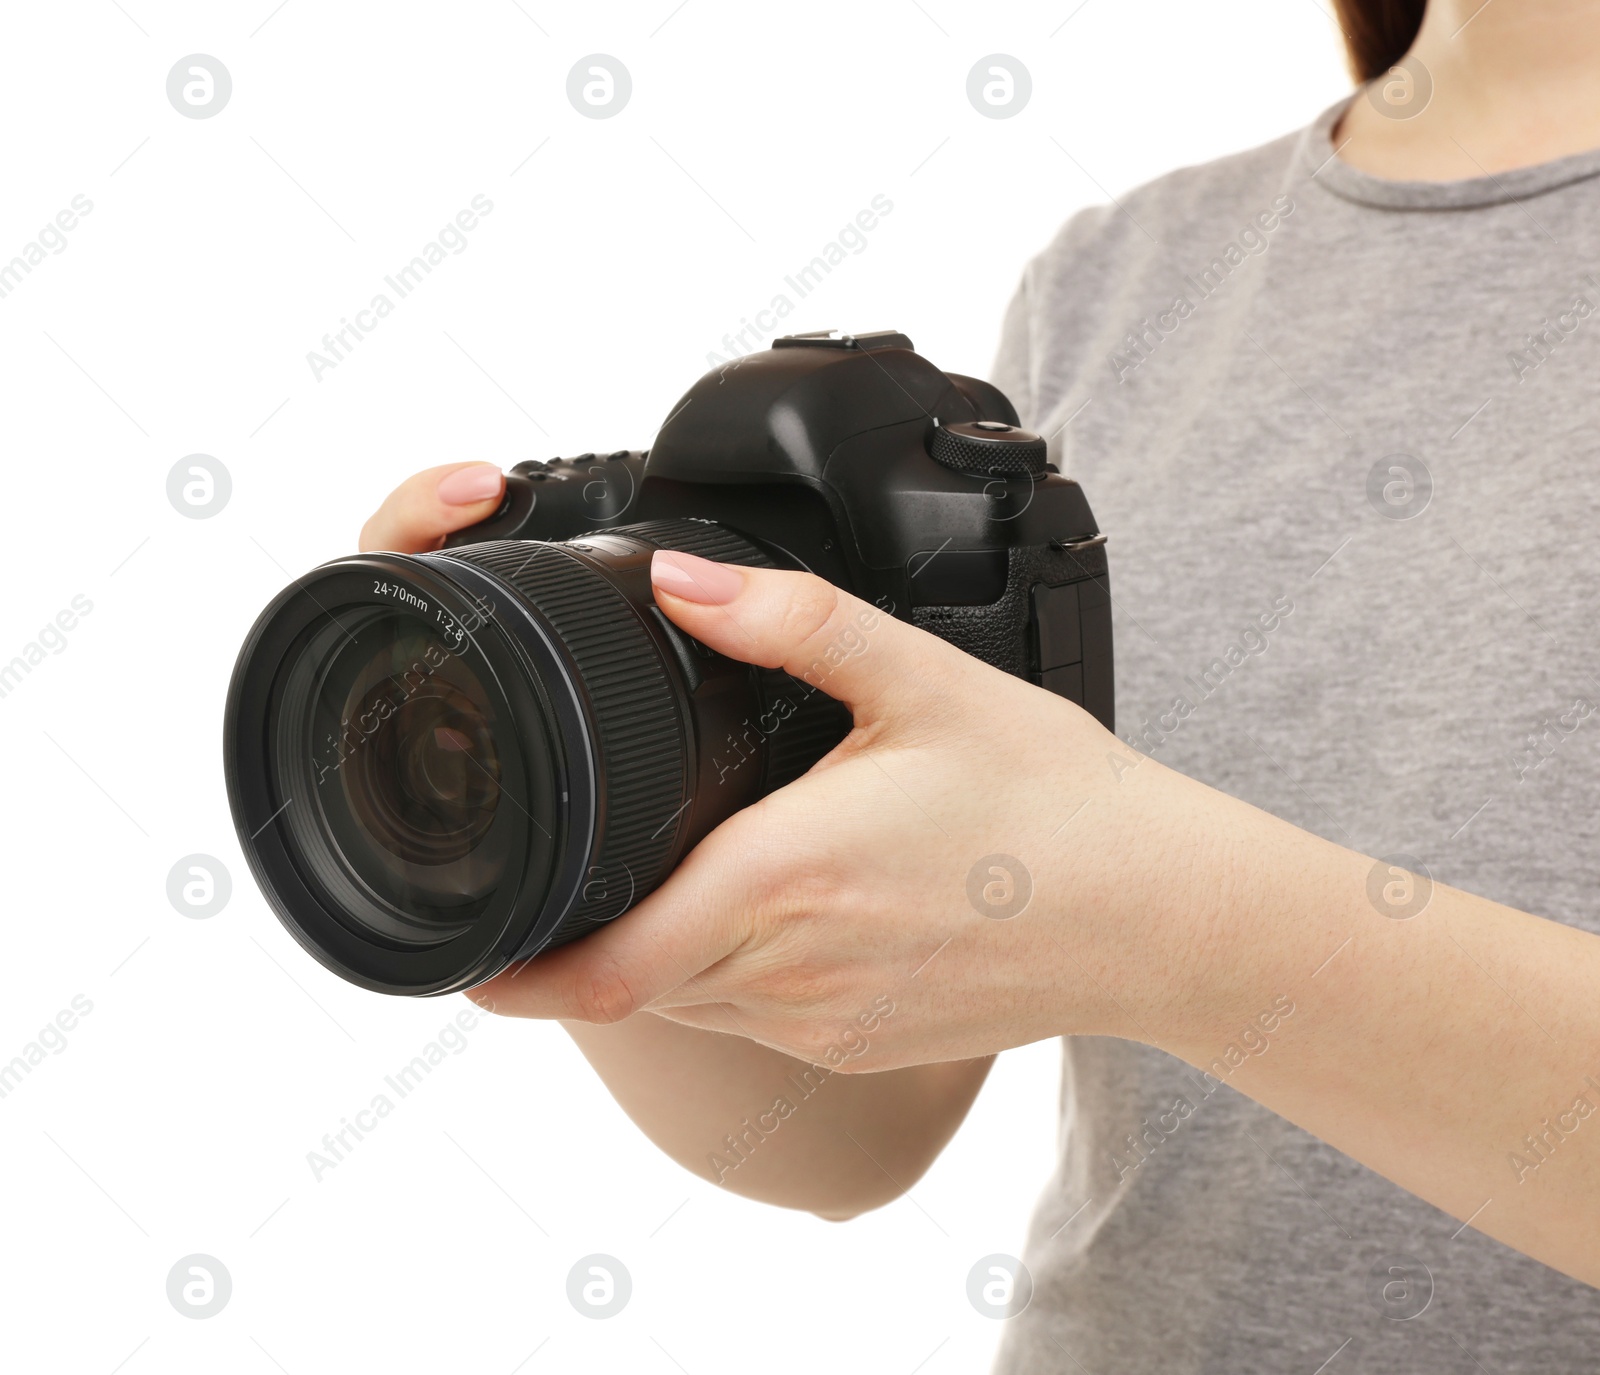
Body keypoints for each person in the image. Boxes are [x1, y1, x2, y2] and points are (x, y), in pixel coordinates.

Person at [359, 0, 1600, 1366]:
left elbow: (1143, 923)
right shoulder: (1130, 272)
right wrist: (562, 816)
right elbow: (850, 1133)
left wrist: (1171, 926)